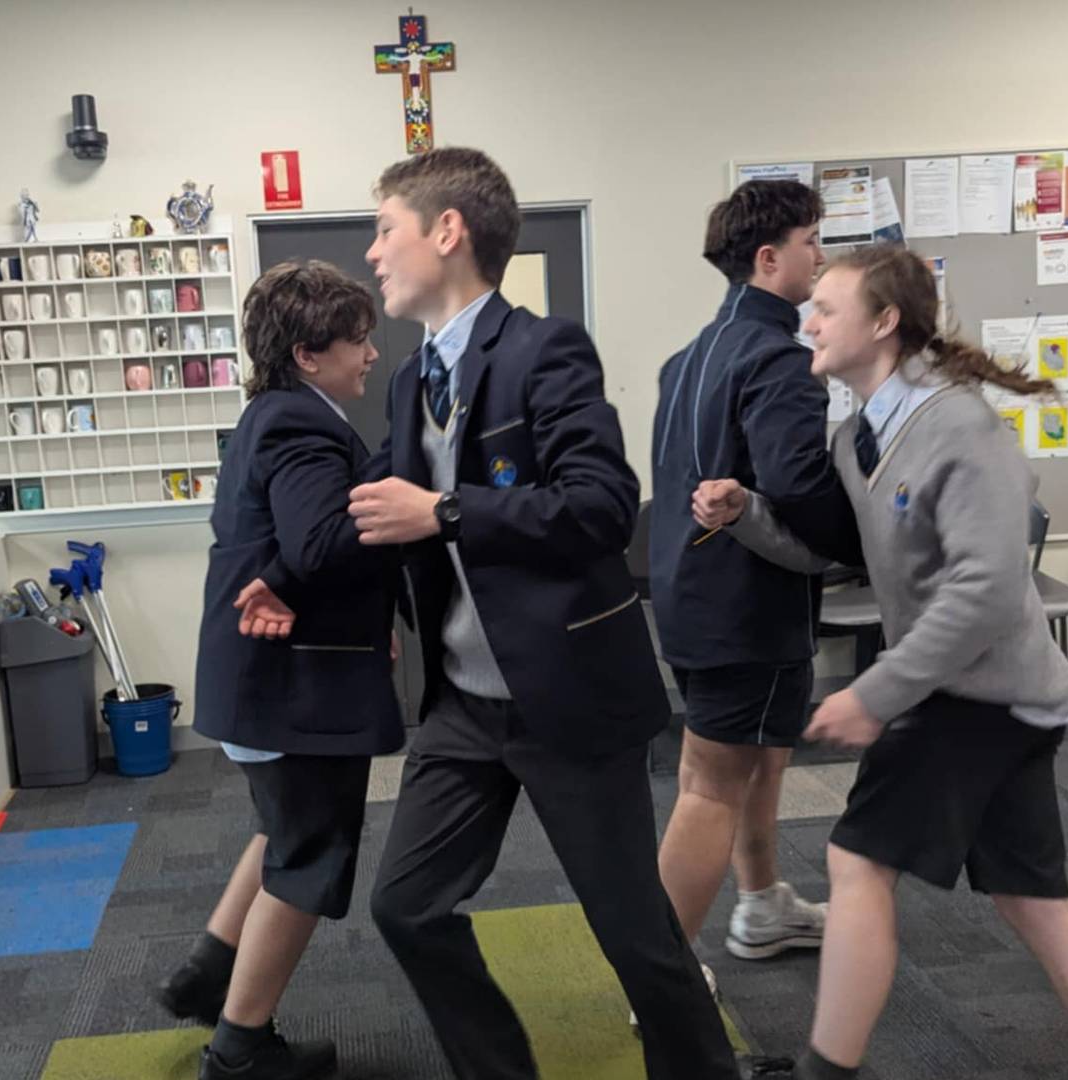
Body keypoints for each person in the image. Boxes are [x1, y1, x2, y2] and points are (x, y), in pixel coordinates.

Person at [698, 244, 1068, 1080]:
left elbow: (985, 590)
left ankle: (826, 1073)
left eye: (827, 309)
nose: (809, 323)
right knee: (1037, 905)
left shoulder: (959, 427)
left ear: (884, 322)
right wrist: (746, 515)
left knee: (857, 859)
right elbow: (838, 551)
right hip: (974, 695)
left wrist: (875, 694)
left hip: (981, 696)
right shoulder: (858, 437)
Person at [343, 147, 739, 1079]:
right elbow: (375, 509)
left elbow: (600, 506)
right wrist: (276, 576)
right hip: (464, 704)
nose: (372, 252)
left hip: (567, 695)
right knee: (405, 906)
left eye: (386, 229)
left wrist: (445, 511)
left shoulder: (543, 349)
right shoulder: (409, 380)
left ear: (448, 231)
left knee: (634, 934)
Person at [156, 260, 403, 1080]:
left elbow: (292, 543)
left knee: (282, 830)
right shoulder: (304, 424)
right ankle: (239, 1050)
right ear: (307, 353)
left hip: (261, 679)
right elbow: (319, 543)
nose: (371, 354)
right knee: (308, 858)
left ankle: (208, 976)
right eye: (357, 340)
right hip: (294, 687)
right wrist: (399, 472)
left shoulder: (271, 413)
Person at [646, 179, 832, 1000]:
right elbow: (800, 484)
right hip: (746, 605)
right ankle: (661, 978)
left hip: (694, 595)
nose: (821, 257)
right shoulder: (776, 359)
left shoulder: (688, 358)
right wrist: (859, 542)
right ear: (768, 258)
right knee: (711, 784)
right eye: (810, 242)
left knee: (761, 757)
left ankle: (761, 905)